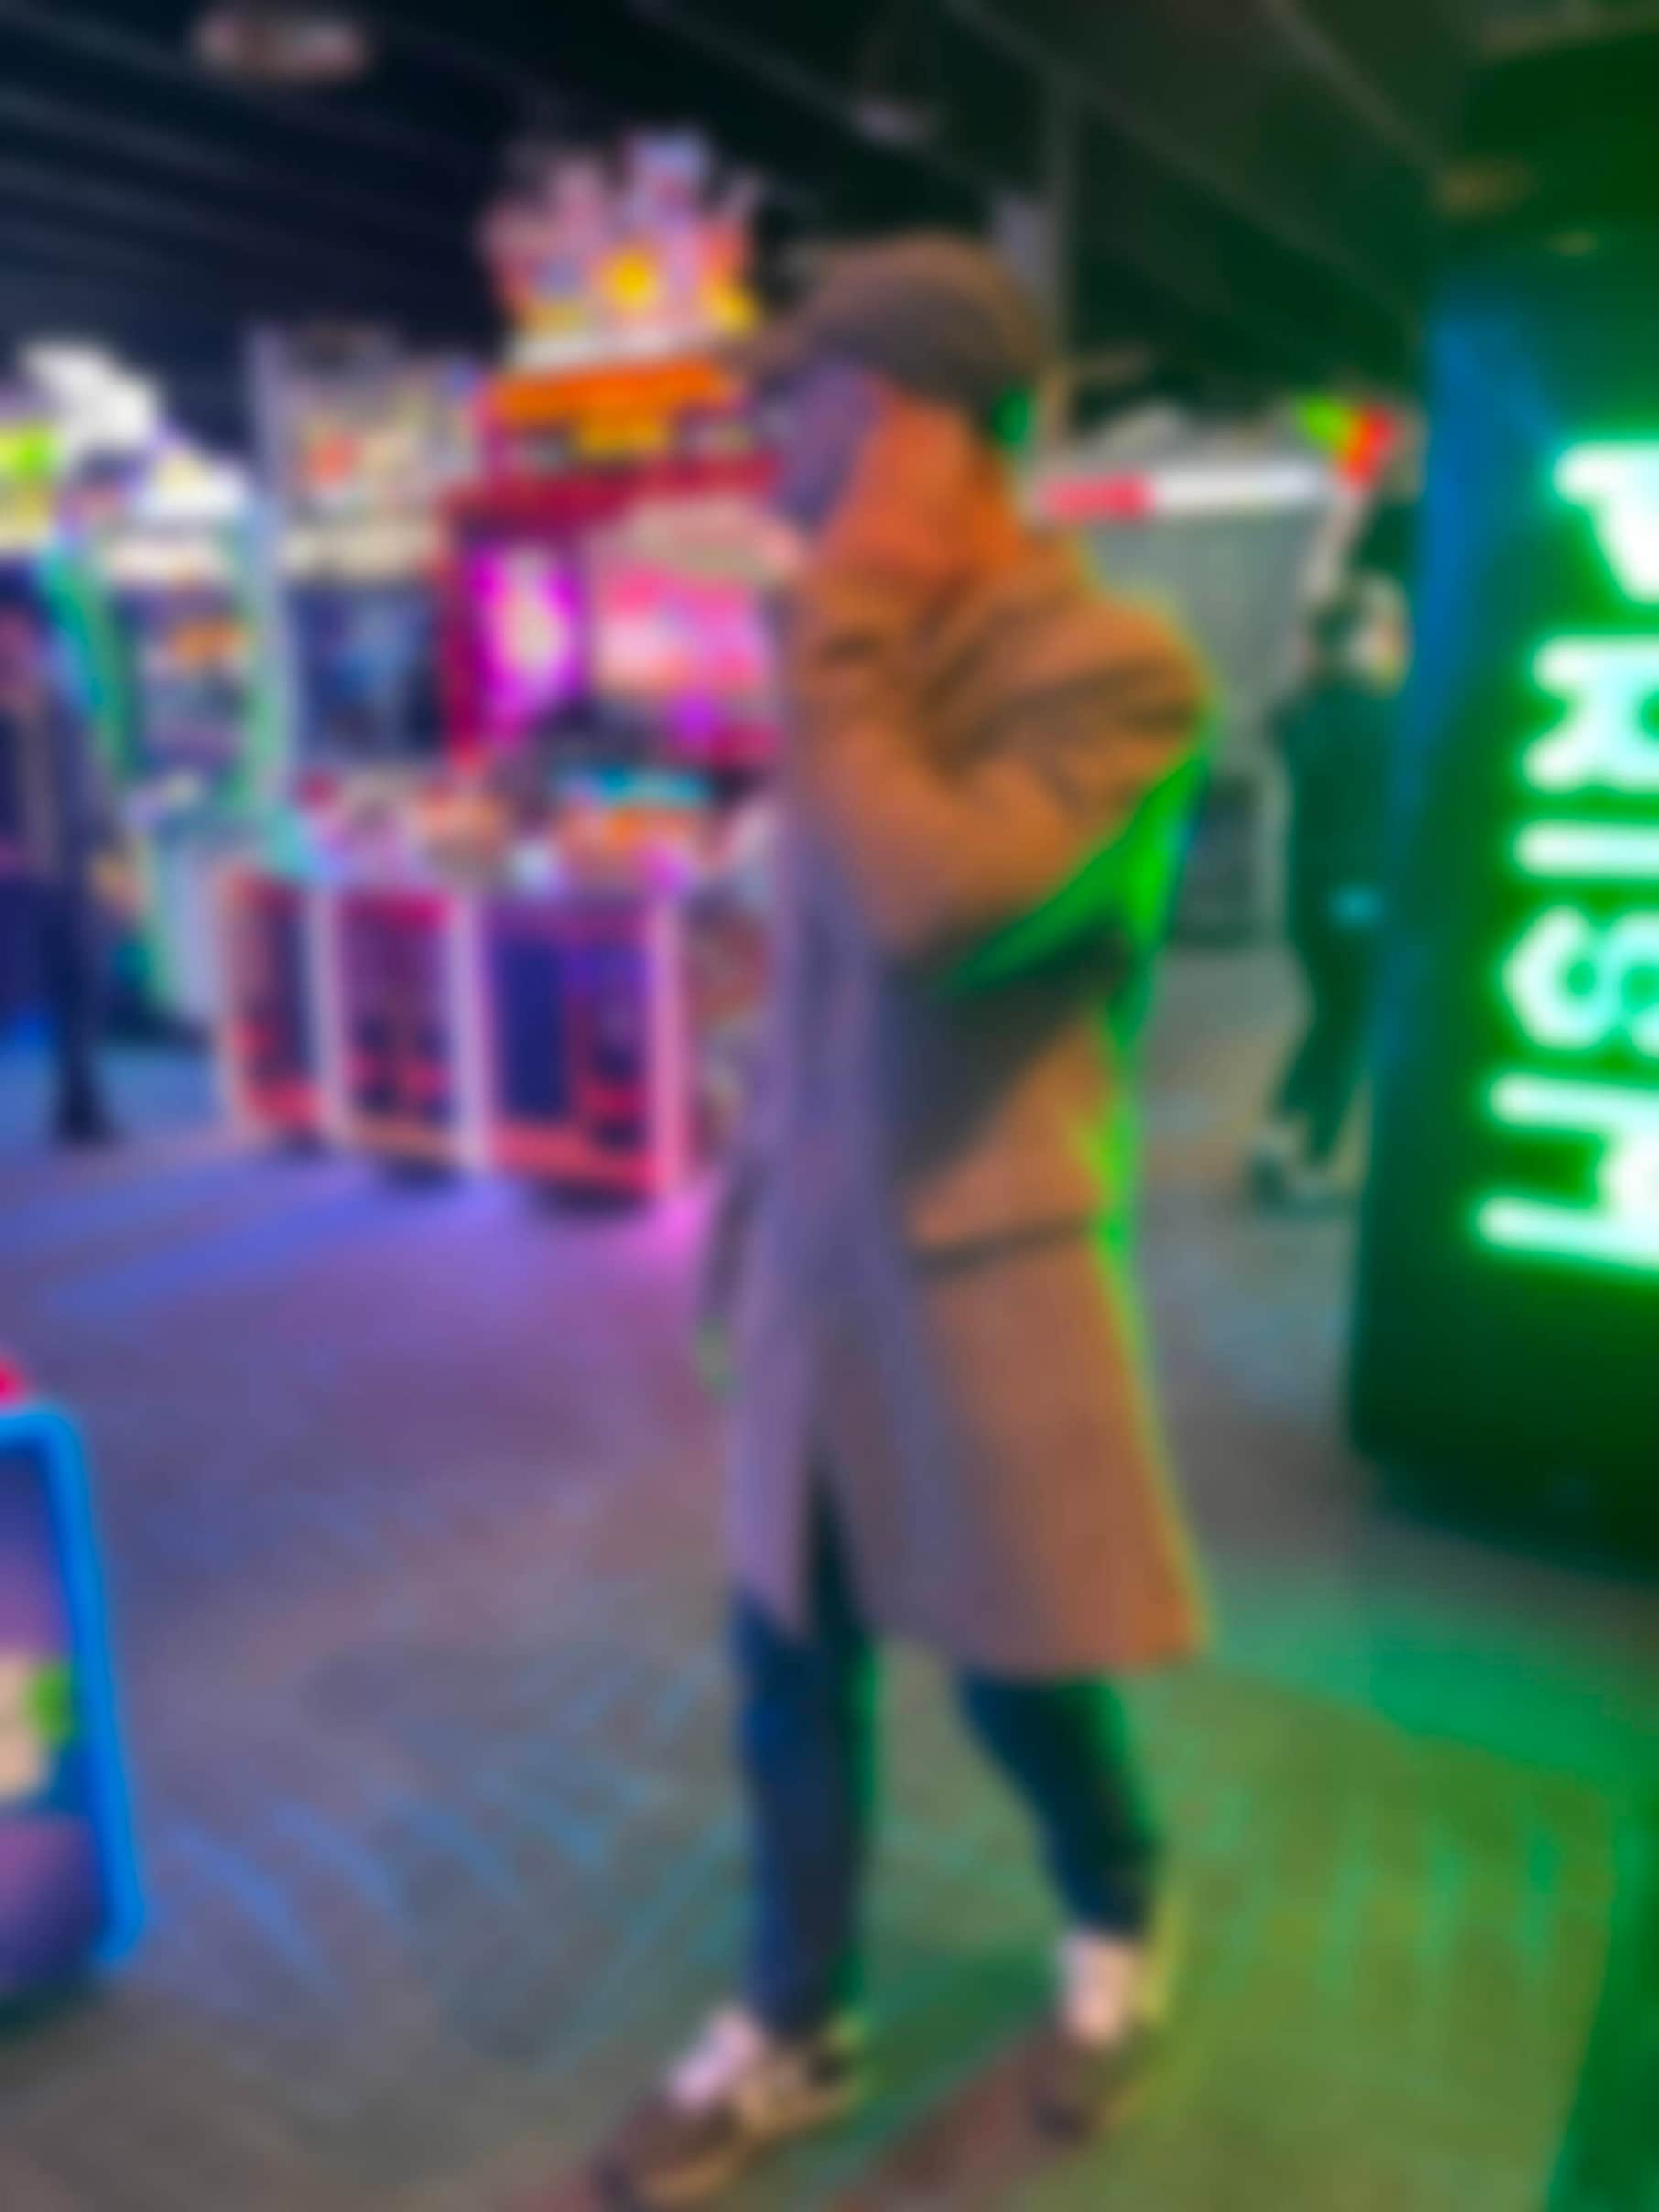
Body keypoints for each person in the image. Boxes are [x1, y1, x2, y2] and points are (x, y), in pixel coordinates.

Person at [601, 235, 1210, 2209]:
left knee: (1017, 1660)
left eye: (807, 409)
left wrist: (844, 610)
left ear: (891, 419)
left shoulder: (1108, 668)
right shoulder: (873, 662)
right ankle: (796, 2017)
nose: (780, 451)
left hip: (976, 1277)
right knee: (784, 1660)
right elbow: (833, 937)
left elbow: (929, 905)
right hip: (817, 1263)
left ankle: (1121, 1906)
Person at [1250, 581, 1401, 1209]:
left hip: (1307, 894)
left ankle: (1275, 1136)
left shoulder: (1299, 714)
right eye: (1381, 634)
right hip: (1359, 891)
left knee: (1331, 1017)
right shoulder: (1379, 715)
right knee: (1350, 1025)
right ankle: (1312, 1164)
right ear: (1358, 642)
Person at [0, 573, 124, 1145]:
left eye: (21, 629)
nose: (12, 640)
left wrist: (113, 866)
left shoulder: (63, 709)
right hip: (10, 882)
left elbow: (94, 790)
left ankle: (80, 1103)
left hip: (68, 871)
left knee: (80, 986)